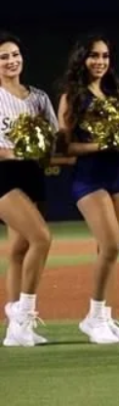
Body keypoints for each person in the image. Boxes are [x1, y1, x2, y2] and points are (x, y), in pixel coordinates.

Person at [56, 34, 119, 345]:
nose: (100, 62)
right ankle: (93, 317)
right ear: (82, 59)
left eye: (104, 56)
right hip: (90, 177)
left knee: (110, 251)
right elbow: (66, 148)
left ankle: (103, 315)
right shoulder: (71, 97)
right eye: (93, 56)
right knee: (111, 244)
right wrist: (102, 144)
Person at [0, 33, 57, 347]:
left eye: (15, 54)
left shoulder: (38, 97)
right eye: (4, 57)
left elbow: (53, 137)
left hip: (32, 173)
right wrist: (18, 150)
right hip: (4, 175)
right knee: (42, 238)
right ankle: (24, 312)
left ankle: (15, 330)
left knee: (19, 251)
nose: (11, 61)